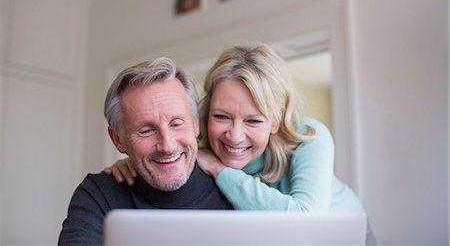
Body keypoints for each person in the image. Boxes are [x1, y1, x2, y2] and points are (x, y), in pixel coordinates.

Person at [106, 43, 364, 213]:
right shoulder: (200, 148)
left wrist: (221, 170)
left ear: (276, 120)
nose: (235, 136)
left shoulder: (308, 137)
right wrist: (132, 165)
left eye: (253, 120)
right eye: (222, 116)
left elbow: (306, 220)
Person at [58, 58, 232, 245]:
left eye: (176, 124)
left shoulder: (237, 190)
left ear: (196, 123)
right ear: (118, 139)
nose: (167, 146)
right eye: (146, 131)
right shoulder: (100, 193)